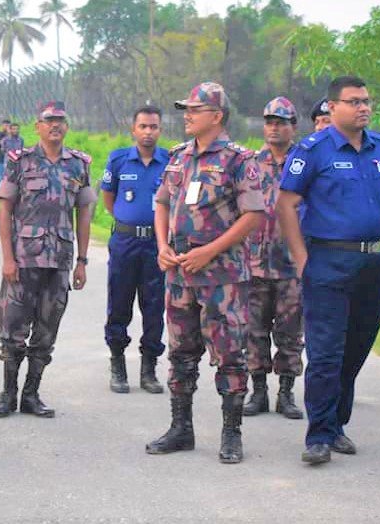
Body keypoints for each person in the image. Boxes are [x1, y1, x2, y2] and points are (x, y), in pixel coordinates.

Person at [277, 76, 380, 465]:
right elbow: (286, 204)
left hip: (373, 264)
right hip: (329, 262)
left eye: (366, 101)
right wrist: (303, 262)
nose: (363, 107)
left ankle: (337, 426)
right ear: (333, 108)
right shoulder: (313, 150)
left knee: (355, 350)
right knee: (327, 352)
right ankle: (318, 435)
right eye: (353, 102)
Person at [146, 82, 265, 464]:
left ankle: (231, 434)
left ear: (216, 115)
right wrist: (163, 245)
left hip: (222, 278)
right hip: (180, 274)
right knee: (181, 353)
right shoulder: (179, 156)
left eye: (194, 110)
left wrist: (209, 251)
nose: (187, 115)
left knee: (230, 355)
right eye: (186, 109)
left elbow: (253, 215)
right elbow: (162, 202)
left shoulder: (238, 160)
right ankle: (181, 428)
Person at [0, 101, 95, 419]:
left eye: (61, 121)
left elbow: (85, 212)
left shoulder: (78, 164)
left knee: (47, 332)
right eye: (49, 121)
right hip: (24, 261)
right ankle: (8, 394)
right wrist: (7, 258)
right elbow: (6, 209)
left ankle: (31, 395)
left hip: (59, 261)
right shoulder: (20, 161)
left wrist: (82, 260)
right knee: (13, 332)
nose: (55, 126)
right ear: (37, 126)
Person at [242, 96, 305, 420]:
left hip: (292, 264)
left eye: (281, 122)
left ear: (293, 126)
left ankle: (286, 393)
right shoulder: (251, 163)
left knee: (291, 331)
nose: (274, 127)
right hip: (254, 262)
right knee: (254, 330)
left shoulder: (305, 163)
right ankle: (259, 392)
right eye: (270, 121)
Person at [101, 106, 168, 395]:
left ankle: (149, 369)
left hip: (157, 243)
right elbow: (108, 198)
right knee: (119, 302)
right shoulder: (118, 160)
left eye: (153, 126)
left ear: (160, 129)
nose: (148, 132)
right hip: (125, 242)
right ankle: (118, 365)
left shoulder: (170, 161)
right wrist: (127, 219)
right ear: (134, 129)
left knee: (154, 307)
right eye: (143, 126)